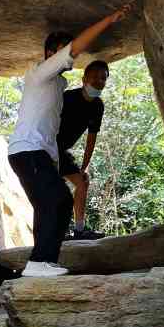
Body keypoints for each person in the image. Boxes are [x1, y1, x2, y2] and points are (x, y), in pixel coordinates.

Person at [7, 4, 131, 277]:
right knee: (60, 199)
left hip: (38, 153)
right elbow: (75, 47)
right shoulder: (40, 73)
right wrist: (109, 19)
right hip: (28, 151)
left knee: (46, 206)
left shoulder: (56, 85)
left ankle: (40, 264)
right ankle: (40, 261)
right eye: (63, 51)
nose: (70, 57)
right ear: (51, 54)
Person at [57, 60, 110, 240]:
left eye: (103, 78)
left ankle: (79, 231)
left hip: (62, 150)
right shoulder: (67, 98)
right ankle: (57, 232)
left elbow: (91, 138)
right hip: (47, 147)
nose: (98, 81)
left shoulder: (97, 106)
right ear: (84, 79)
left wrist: (85, 167)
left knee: (82, 182)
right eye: (94, 76)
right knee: (56, 191)